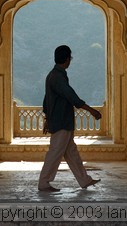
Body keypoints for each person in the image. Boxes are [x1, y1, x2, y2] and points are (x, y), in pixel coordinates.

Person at [38, 45, 102, 192]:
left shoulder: (53, 75)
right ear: (67, 59)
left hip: (62, 121)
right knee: (54, 153)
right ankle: (44, 182)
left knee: (72, 153)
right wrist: (91, 111)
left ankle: (84, 180)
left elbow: (46, 100)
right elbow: (72, 97)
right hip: (61, 122)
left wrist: (47, 119)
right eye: (70, 58)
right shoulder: (58, 77)